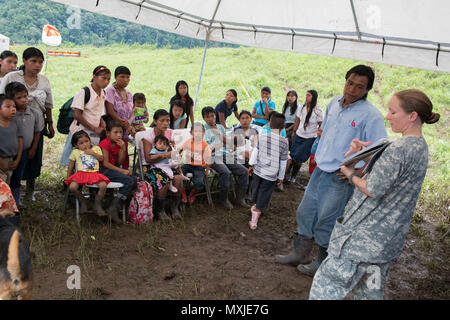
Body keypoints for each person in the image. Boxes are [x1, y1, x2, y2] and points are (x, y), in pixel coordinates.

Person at [309, 89, 440, 300]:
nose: (387, 116)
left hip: (361, 243)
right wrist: (368, 156)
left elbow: (373, 188)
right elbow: (390, 178)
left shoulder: (398, 149)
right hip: (384, 245)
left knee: (325, 290)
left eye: (393, 112)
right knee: (369, 293)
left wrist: (348, 172)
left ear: (412, 115)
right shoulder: (419, 147)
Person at [274, 65, 388, 277]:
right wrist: (317, 157)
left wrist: (359, 172)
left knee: (328, 218)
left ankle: (323, 263)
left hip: (340, 176)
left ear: (366, 90)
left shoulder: (371, 115)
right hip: (320, 169)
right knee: (305, 212)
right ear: (345, 81)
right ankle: (300, 253)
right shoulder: (333, 103)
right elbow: (325, 132)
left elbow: (378, 147)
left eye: (359, 87)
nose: (352, 89)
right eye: (350, 83)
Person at [0, 47, 55, 199]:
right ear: (24, 61)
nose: (37, 65)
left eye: (40, 62)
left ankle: (30, 187)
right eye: (33, 61)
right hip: (13, 121)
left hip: (36, 122)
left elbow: (49, 104)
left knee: (33, 154)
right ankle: (9, 191)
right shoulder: (12, 77)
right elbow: (1, 98)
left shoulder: (44, 80)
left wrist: (50, 123)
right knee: (13, 154)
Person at [60, 65, 110, 166]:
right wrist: (94, 128)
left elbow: (95, 110)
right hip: (80, 131)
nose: (106, 82)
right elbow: (77, 115)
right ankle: (71, 179)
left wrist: (100, 120)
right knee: (75, 158)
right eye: (103, 78)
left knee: (87, 159)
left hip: (92, 132)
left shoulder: (103, 92)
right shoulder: (84, 92)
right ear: (95, 77)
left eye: (108, 79)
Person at [202, 106, 249, 209]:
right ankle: (224, 199)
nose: (211, 119)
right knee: (225, 172)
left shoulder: (220, 127)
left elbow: (228, 143)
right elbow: (207, 149)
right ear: (204, 119)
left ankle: (240, 198)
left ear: (215, 116)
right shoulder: (203, 130)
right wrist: (219, 145)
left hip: (225, 154)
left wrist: (220, 136)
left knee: (244, 171)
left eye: (212, 116)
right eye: (207, 117)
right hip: (212, 157)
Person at [248, 112, 289, 230]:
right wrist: (281, 177)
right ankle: (254, 219)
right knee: (264, 193)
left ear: (269, 124)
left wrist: (251, 164)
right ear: (283, 127)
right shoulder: (284, 142)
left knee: (256, 189)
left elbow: (256, 151)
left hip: (258, 171)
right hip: (271, 175)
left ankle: (255, 207)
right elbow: (283, 162)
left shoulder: (263, 136)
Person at [141, 109, 183, 221]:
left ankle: (174, 208)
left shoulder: (168, 134)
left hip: (165, 165)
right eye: (162, 121)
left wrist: (177, 163)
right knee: (163, 179)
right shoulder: (148, 136)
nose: (165, 123)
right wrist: (166, 155)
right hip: (150, 166)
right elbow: (148, 159)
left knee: (178, 178)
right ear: (155, 121)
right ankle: (160, 210)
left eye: (167, 121)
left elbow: (171, 154)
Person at [4, 82, 41, 209]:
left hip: (23, 151)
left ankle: (16, 200)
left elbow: (37, 132)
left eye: (25, 96)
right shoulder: (9, 115)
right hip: (7, 152)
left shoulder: (34, 113)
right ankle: (5, 201)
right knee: (5, 176)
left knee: (18, 176)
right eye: (19, 98)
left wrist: (34, 148)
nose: (23, 100)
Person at [99, 120, 138, 224]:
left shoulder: (120, 143)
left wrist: (122, 149)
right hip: (103, 170)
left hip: (113, 169)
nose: (119, 135)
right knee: (130, 181)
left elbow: (120, 161)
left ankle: (115, 206)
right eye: (115, 132)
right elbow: (106, 163)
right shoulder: (105, 143)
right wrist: (122, 171)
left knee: (134, 179)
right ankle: (115, 206)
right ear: (108, 133)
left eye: (121, 132)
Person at [65, 130, 110, 217]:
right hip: (81, 174)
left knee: (103, 185)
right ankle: (83, 201)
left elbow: (101, 159)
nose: (85, 144)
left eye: (86, 141)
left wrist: (92, 153)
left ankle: (97, 204)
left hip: (94, 174)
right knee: (72, 187)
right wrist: (68, 176)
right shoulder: (75, 152)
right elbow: (70, 165)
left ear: (90, 140)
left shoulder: (95, 148)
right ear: (76, 145)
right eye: (81, 143)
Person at [287, 90, 323, 184]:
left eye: (309, 95)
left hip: (310, 137)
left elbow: (321, 124)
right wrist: (294, 131)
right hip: (299, 134)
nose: (306, 97)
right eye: (306, 95)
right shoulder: (302, 107)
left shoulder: (317, 110)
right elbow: (297, 119)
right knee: (293, 154)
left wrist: (319, 135)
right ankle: (287, 174)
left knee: (300, 157)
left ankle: (294, 176)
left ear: (314, 97)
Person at [104, 66, 134, 169]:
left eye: (127, 77)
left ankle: (124, 179)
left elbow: (131, 112)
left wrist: (130, 125)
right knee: (112, 155)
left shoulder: (129, 94)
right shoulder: (110, 91)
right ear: (116, 77)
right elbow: (110, 111)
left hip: (125, 130)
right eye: (122, 77)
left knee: (123, 153)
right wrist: (122, 123)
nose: (125, 80)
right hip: (113, 129)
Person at [178, 122, 212, 203]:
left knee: (200, 182)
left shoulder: (205, 145)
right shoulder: (188, 142)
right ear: (191, 132)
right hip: (188, 164)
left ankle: (193, 193)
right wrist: (177, 155)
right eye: (195, 131)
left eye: (200, 131)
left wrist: (207, 171)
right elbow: (180, 149)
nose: (198, 133)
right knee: (178, 175)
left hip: (199, 166)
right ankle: (183, 193)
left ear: (203, 133)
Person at [0, 94, 23, 185]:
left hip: (11, 161)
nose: (13, 109)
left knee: (6, 187)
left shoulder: (14, 124)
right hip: (1, 161)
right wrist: (1, 162)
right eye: (8, 107)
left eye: (14, 106)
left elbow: (20, 141)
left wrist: (17, 160)